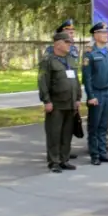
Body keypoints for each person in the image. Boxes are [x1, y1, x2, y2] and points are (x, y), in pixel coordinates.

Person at [38, 31, 82, 173]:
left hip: (70, 103)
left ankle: (64, 159)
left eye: (70, 42)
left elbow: (76, 80)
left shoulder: (70, 60)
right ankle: (54, 161)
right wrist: (46, 101)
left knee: (67, 133)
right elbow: (43, 82)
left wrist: (78, 98)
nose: (70, 45)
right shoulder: (48, 61)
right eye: (67, 42)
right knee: (54, 133)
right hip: (56, 103)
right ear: (58, 44)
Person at [81, 22, 108, 165]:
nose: (105, 35)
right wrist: (91, 96)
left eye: (106, 32)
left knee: (104, 125)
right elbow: (87, 77)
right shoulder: (89, 54)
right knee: (94, 126)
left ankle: (103, 152)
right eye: (102, 33)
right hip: (96, 93)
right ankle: (94, 154)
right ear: (95, 35)